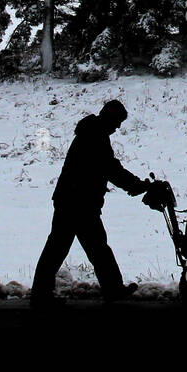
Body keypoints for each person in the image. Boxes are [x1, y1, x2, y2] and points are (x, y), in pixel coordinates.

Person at [30, 100, 152, 306]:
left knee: (65, 247)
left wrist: (134, 185)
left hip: (73, 200)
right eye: (118, 121)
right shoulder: (95, 136)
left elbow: (108, 167)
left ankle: (41, 294)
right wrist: (135, 185)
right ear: (110, 117)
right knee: (91, 248)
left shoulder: (92, 132)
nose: (118, 127)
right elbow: (110, 168)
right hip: (78, 202)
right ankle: (111, 290)